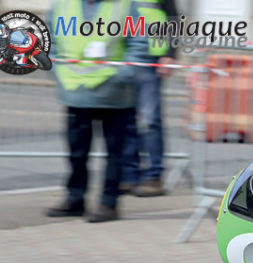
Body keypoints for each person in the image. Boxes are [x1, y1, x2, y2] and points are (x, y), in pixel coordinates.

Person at [45, 0, 148, 222]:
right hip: (75, 92)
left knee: (115, 153)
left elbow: (139, 44)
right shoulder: (63, 5)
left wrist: (123, 76)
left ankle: (108, 203)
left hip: (115, 95)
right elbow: (49, 42)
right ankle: (75, 199)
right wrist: (58, 74)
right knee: (77, 153)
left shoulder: (124, 6)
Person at [122, 0, 178, 197]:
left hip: (149, 57)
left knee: (149, 120)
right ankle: (129, 175)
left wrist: (170, 53)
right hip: (120, 56)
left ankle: (153, 176)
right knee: (125, 119)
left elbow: (172, 17)